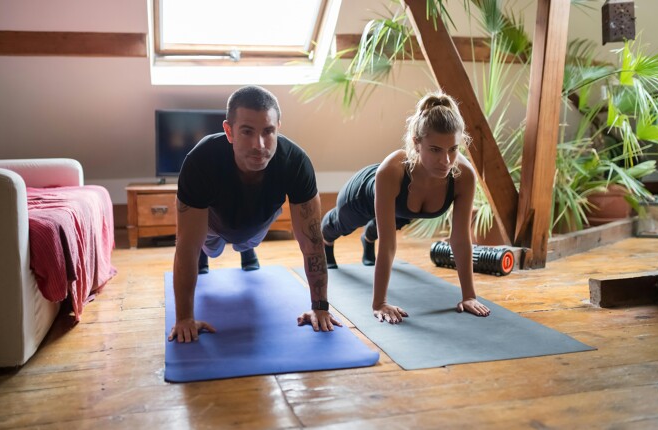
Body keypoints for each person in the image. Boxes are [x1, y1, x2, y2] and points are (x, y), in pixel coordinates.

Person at [168, 85, 341, 343]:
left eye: (268, 131)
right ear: (229, 131)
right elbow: (185, 246)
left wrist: (320, 307)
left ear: (278, 127)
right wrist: (184, 318)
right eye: (247, 132)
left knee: (246, 241)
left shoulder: (295, 163)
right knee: (206, 248)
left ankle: (245, 247)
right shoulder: (201, 161)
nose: (259, 145)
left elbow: (312, 242)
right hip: (212, 225)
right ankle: (208, 255)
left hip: (258, 222)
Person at [321, 91, 491, 323]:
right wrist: (379, 303)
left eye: (453, 149)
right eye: (435, 150)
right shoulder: (392, 171)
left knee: (391, 223)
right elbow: (389, 244)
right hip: (363, 194)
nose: (446, 161)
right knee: (341, 225)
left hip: (403, 208)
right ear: (417, 144)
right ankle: (326, 240)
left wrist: (469, 296)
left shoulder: (463, 176)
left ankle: (368, 239)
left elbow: (460, 240)